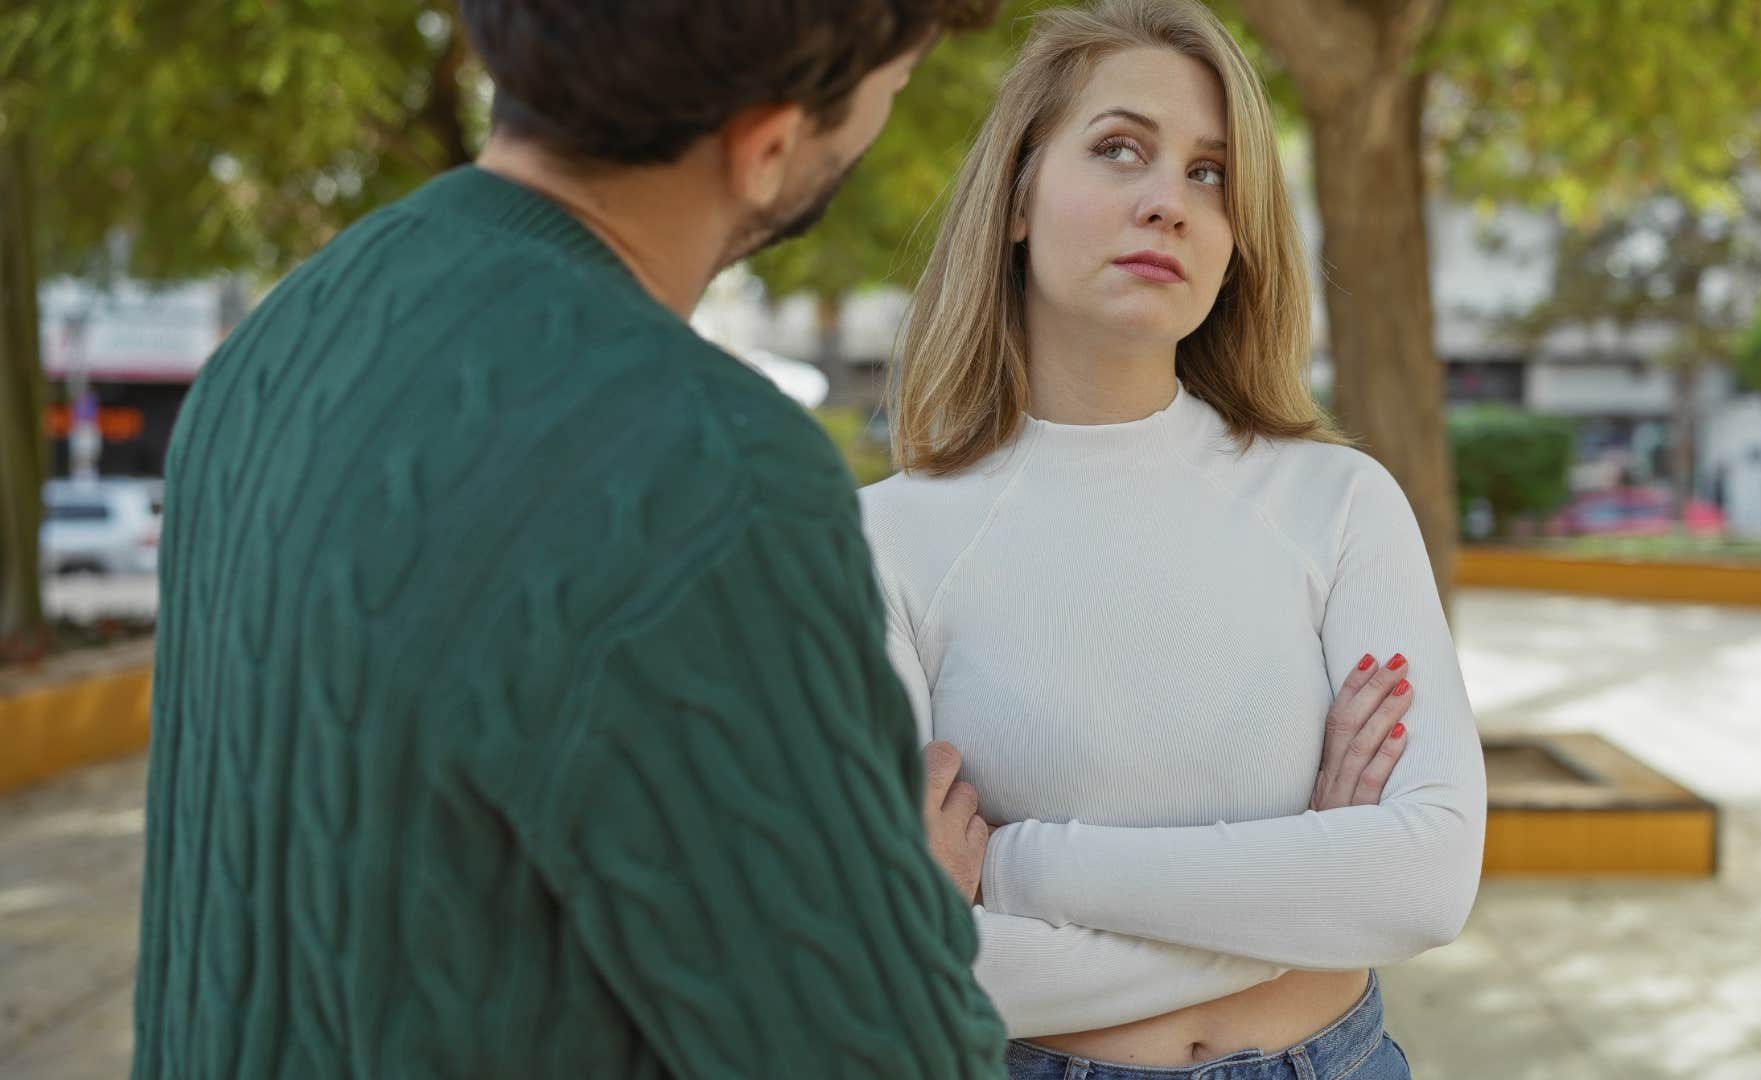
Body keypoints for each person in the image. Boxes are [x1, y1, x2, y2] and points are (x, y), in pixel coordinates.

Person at [130, 2, 1011, 1077]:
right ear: (770, 145)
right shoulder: (706, 473)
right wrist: (901, 903)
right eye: (895, 90)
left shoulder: (284, 339)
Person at [860, 1, 1488, 1076]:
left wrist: (1014, 869)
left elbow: (1425, 883)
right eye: (1119, 150)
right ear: (1016, 196)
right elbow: (901, 963)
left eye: (1210, 173)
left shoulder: (1336, 500)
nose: (1170, 203)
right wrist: (1307, 895)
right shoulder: (887, 539)